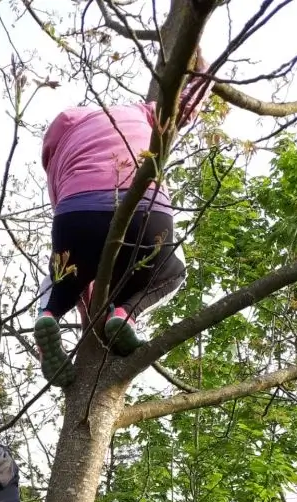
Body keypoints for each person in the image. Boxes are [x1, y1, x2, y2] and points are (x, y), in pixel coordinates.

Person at [34, 54, 210, 387]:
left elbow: (61, 210)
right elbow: (188, 103)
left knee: (60, 273)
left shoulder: (61, 148)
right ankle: (123, 314)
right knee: (172, 268)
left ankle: (49, 315)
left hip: (76, 216)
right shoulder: (144, 114)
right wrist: (202, 68)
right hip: (146, 213)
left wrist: (86, 312)